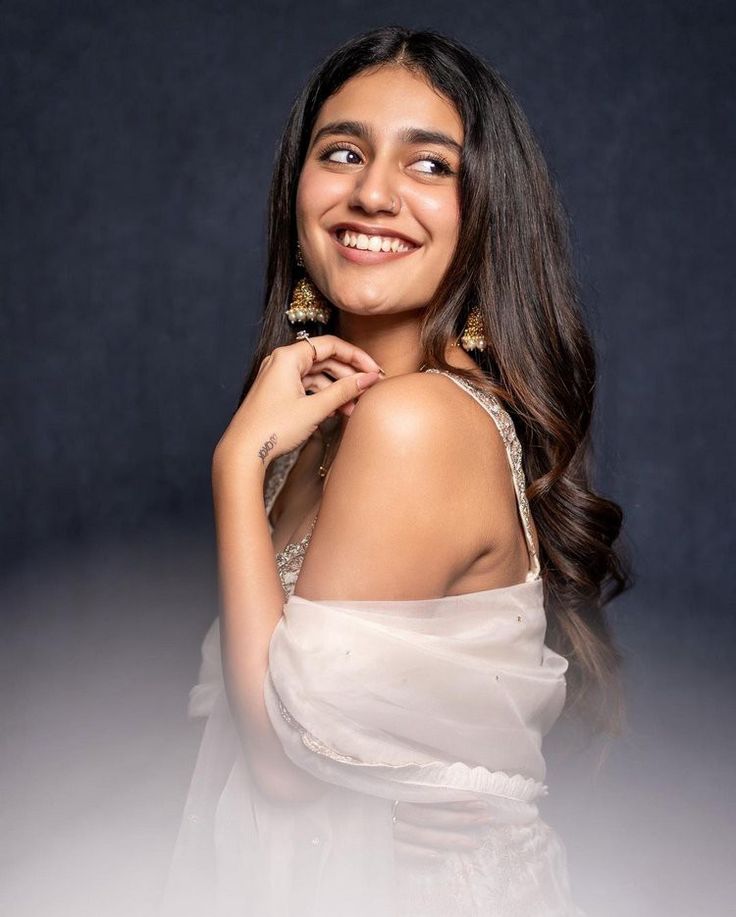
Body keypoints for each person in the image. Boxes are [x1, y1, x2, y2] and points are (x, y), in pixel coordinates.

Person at [159, 26, 630, 917]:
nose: (373, 193)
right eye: (343, 152)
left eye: (430, 166)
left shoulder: (413, 421)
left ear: (489, 210)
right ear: (297, 190)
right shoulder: (312, 432)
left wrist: (232, 464)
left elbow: (284, 768)